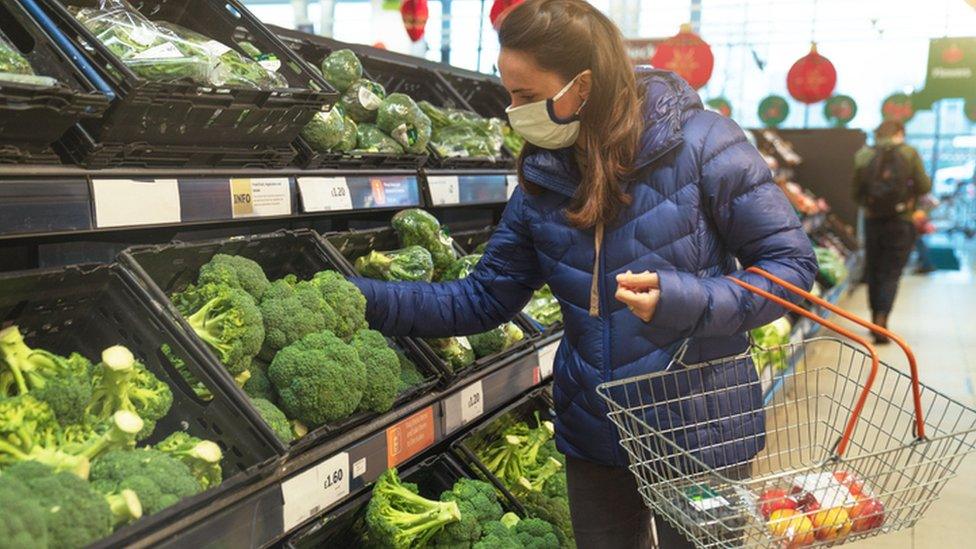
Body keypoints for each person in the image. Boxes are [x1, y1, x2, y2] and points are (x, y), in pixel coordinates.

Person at [353, 1, 816, 547]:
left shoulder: (705, 144)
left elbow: (790, 268)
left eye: (526, 96)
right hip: (595, 428)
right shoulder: (545, 176)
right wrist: (357, 297)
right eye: (510, 95)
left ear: (584, 84)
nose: (514, 111)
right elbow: (479, 299)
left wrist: (682, 298)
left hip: (699, 426)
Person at [852, 120, 931, 343]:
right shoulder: (909, 153)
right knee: (891, 272)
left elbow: (855, 192)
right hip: (901, 220)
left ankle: (873, 318)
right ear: (900, 133)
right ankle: (882, 318)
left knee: (875, 269)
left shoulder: (863, 155)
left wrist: (871, 205)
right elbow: (924, 186)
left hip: (873, 220)